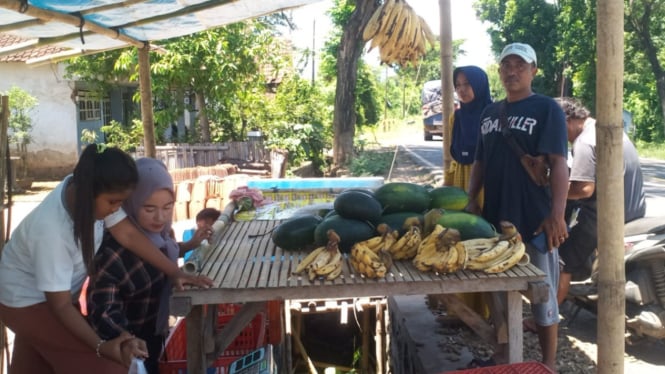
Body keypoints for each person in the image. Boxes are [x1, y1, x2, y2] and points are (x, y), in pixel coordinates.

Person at [466, 43, 569, 371]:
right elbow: (479, 162)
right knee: (499, 295)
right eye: (506, 65)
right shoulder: (488, 113)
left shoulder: (547, 109)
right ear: (499, 71)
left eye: (520, 66)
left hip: (536, 218)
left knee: (543, 294)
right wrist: (471, 200)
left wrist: (557, 215)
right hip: (496, 219)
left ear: (533, 70)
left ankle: (548, 363)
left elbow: (559, 163)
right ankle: (504, 358)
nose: (512, 71)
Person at [0, 145, 149, 372]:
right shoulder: (51, 230)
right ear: (89, 193)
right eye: (113, 202)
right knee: (109, 368)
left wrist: (175, 271)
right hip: (24, 301)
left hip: (52, 298)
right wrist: (100, 347)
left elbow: (128, 234)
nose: (116, 209)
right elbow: (60, 306)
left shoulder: (81, 189)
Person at [87, 158, 212, 374]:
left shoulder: (161, 235)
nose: (160, 217)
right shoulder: (113, 253)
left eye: (167, 207)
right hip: (126, 348)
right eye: (149, 208)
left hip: (154, 331)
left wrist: (190, 245)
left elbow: (165, 252)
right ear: (130, 203)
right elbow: (103, 311)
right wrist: (127, 341)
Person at [555, 97, 646, 305]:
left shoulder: (584, 142)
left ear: (566, 121)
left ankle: (548, 317)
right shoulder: (604, 128)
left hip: (606, 215)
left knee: (563, 258)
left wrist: (554, 190)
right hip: (634, 208)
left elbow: (584, 189)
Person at [445, 65, 492, 319]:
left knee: (482, 241)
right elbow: (454, 155)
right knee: (459, 240)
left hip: (485, 184)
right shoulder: (457, 117)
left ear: (480, 85)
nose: (462, 90)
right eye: (458, 85)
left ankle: (484, 309)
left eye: (467, 84)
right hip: (461, 181)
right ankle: (460, 308)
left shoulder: (492, 114)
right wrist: (448, 186)